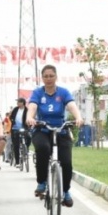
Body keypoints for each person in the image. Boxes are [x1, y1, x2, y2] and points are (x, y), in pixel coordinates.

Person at [26, 64, 84, 207]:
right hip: (42, 129)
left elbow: (71, 105)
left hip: (61, 129)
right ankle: (42, 182)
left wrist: (78, 117)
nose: (49, 79)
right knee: (43, 149)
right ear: (42, 78)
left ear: (56, 77)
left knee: (66, 162)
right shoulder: (38, 93)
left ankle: (65, 191)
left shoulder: (63, 92)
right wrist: (30, 117)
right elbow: (32, 106)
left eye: (51, 76)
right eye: (46, 76)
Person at [9, 99, 31, 166]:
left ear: (22, 103)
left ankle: (26, 149)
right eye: (17, 102)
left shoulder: (27, 110)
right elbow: (11, 117)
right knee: (16, 144)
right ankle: (17, 162)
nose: (17, 103)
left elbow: (30, 117)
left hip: (24, 128)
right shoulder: (15, 109)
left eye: (18, 102)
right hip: (15, 128)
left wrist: (29, 124)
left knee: (29, 137)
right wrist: (12, 120)